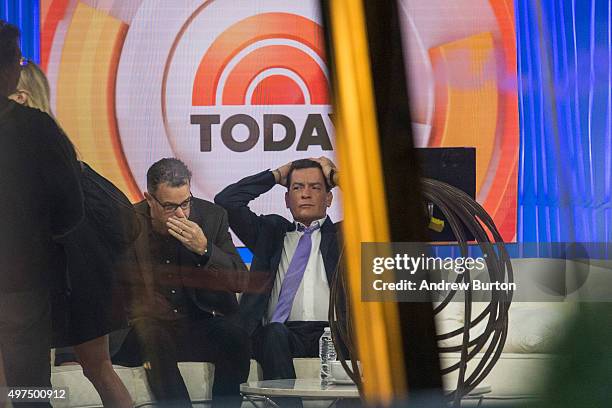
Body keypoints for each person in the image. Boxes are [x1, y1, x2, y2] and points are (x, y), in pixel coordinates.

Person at [8, 60, 134, 407]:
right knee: (96, 368)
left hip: (60, 280)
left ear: (19, 97)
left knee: (23, 377)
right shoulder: (60, 149)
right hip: (72, 280)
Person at [113, 158, 251, 408]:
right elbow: (108, 286)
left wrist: (205, 249)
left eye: (185, 203)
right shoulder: (126, 223)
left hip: (196, 324)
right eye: (169, 206)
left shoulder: (212, 217)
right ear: (149, 199)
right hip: (147, 328)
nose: (181, 214)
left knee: (234, 336)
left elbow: (240, 280)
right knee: (152, 334)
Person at [0, 20, 83, 405]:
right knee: (29, 391)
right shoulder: (36, 129)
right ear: (11, 68)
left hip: (21, 284)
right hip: (21, 284)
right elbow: (71, 209)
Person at [215, 157, 345, 382]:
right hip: (282, 334)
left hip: (333, 333)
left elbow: (380, 206)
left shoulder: (344, 237)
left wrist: (336, 177)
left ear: (329, 198)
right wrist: (275, 175)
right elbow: (227, 201)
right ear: (287, 199)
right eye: (297, 188)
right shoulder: (271, 233)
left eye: (315, 187)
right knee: (273, 332)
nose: (305, 194)